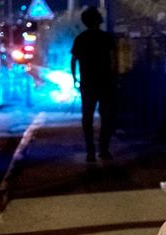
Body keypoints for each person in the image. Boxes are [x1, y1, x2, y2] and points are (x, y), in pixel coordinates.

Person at [71, 7, 117, 162]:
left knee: (87, 117)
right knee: (107, 117)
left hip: (87, 83)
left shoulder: (80, 38)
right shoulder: (107, 38)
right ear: (98, 20)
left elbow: (73, 60)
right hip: (105, 82)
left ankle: (90, 152)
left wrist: (75, 80)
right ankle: (104, 149)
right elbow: (114, 60)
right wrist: (114, 77)